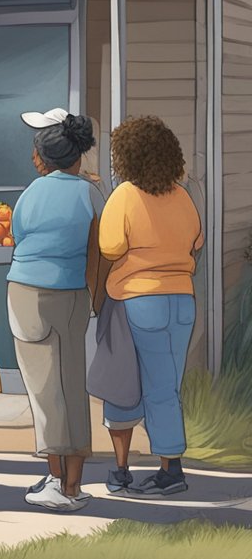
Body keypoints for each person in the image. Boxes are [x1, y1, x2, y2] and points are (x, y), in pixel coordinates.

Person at [99, 116, 203, 499]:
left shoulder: (125, 195)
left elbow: (110, 247)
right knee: (166, 384)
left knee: (127, 383)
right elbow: (197, 240)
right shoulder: (182, 195)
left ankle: (164, 469)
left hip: (139, 298)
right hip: (183, 300)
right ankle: (168, 463)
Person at [8, 110, 106, 512]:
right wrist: (95, 298)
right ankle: (73, 485)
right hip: (72, 294)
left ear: (41, 159)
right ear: (78, 157)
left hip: (25, 291)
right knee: (71, 384)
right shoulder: (91, 193)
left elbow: (18, 238)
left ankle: (52, 479)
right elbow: (96, 254)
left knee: (44, 388)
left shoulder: (29, 194)